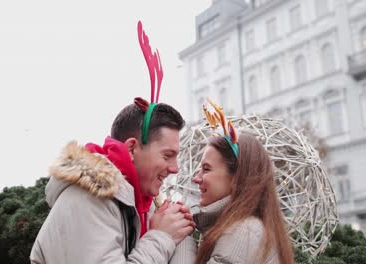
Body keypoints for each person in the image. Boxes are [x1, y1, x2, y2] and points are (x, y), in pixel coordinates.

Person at [30, 21, 195, 264]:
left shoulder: (134, 201)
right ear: (131, 149)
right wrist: (161, 236)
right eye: (167, 155)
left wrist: (174, 231)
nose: (175, 168)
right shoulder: (91, 198)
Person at [170, 100, 294, 264]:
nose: (196, 178)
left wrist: (181, 237)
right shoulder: (242, 227)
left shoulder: (243, 232)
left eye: (206, 169)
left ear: (237, 177)